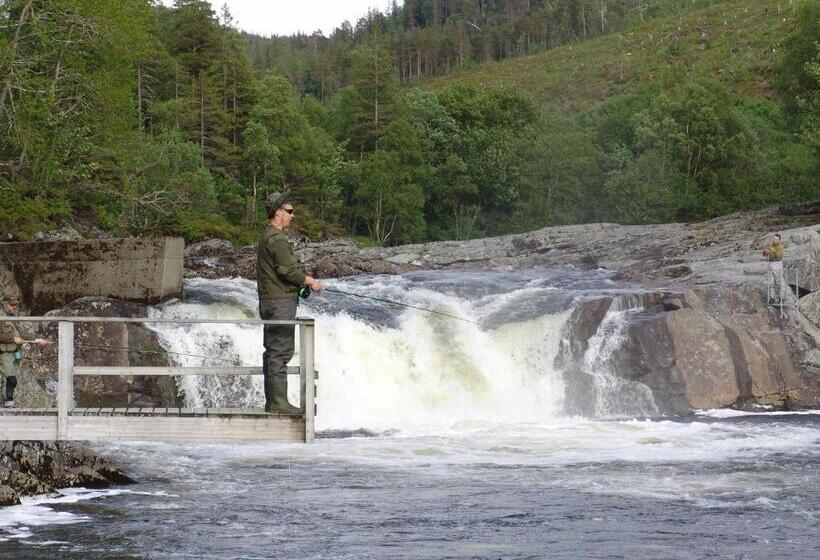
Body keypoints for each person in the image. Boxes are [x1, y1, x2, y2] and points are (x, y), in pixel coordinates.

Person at [256, 192, 324, 414]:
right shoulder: (275, 238)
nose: (292, 216)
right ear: (278, 212)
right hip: (280, 302)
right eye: (289, 211)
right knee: (280, 351)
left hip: (272, 300)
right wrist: (310, 281)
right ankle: (278, 404)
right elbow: (287, 270)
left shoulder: (269, 236)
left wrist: (301, 283)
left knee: (273, 351)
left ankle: (274, 403)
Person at [0, 291, 47, 407]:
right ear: (4, 304)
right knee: (11, 379)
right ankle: (8, 402)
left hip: (14, 353)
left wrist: (37, 340)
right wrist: (12, 338)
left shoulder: (14, 318)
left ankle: (8, 402)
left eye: (15, 305)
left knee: (11, 379)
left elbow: (22, 335)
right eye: (12, 304)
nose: (14, 307)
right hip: (4, 352)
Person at [762, 233, 786, 304]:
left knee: (779, 282)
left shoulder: (780, 247)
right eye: (774, 239)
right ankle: (772, 298)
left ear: (779, 240)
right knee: (771, 282)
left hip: (777, 264)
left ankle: (781, 298)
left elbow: (778, 255)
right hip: (770, 264)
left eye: (776, 239)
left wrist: (771, 250)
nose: (774, 240)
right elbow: (764, 255)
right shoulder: (770, 246)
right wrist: (765, 252)